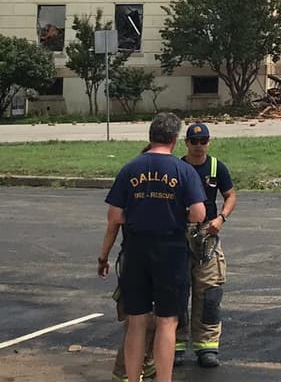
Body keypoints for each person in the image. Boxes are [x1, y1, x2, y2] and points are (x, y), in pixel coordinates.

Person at [102, 113, 207, 382]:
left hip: (136, 249)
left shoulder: (130, 168)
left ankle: (132, 377)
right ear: (175, 140)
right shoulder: (183, 170)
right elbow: (198, 213)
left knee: (136, 321)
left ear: (150, 137)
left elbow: (114, 216)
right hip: (170, 250)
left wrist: (104, 255)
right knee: (167, 320)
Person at [175, 122, 237, 369]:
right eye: (194, 142)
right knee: (178, 291)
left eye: (203, 141)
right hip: (180, 235)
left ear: (208, 142)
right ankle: (177, 344)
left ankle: (207, 347)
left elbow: (231, 194)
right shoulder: (177, 167)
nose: (199, 146)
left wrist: (221, 218)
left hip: (208, 234)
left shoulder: (216, 167)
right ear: (186, 143)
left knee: (210, 292)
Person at [101, 145, 157, 382]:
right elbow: (114, 221)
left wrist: (103, 258)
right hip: (140, 259)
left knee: (153, 317)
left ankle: (147, 362)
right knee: (140, 318)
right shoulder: (133, 183)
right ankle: (124, 371)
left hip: (146, 259)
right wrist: (103, 256)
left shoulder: (136, 180)